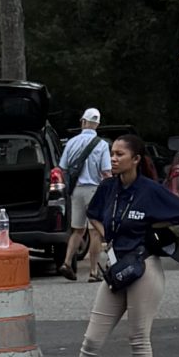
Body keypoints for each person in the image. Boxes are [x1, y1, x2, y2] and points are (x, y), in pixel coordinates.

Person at [47, 134, 179, 357]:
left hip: (143, 267)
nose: (113, 159)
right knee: (91, 340)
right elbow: (93, 214)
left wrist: (152, 225)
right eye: (112, 153)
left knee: (138, 338)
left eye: (119, 154)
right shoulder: (108, 188)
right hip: (116, 268)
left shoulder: (149, 190)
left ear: (136, 159)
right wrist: (106, 235)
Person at [60, 108, 111, 282]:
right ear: (97, 124)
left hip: (76, 190)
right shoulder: (101, 145)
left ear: (83, 121)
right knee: (94, 232)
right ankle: (94, 272)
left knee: (78, 230)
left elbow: (63, 167)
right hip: (94, 190)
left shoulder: (71, 142)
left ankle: (67, 262)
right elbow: (106, 171)